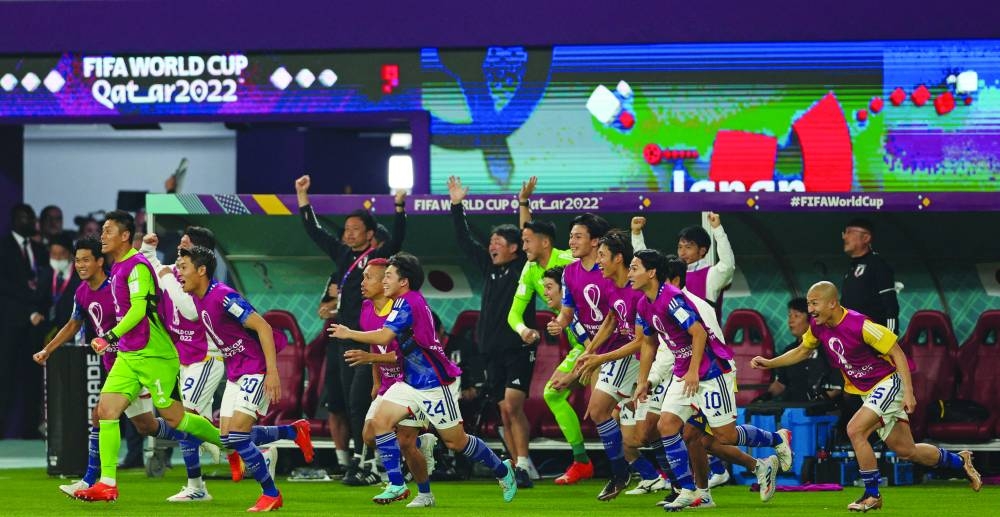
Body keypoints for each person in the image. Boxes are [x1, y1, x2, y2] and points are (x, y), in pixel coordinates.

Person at [751, 281, 982, 512]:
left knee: (855, 429)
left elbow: (897, 353)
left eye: (814, 303)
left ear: (832, 303)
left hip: (888, 382)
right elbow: (803, 350)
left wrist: (909, 393)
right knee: (906, 450)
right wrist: (771, 363)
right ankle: (961, 462)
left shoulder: (860, 325)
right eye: (809, 303)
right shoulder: (818, 326)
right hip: (868, 391)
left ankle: (872, 495)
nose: (810, 309)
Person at [330, 252, 518, 505]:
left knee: (455, 441)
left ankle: (503, 470)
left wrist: (348, 332)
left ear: (404, 281)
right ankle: (399, 485)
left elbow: (385, 338)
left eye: (389, 276)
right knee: (379, 425)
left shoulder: (409, 303)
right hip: (408, 381)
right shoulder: (399, 302)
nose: (384, 281)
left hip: (435, 383)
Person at [73, 211, 225, 504]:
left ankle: (229, 443)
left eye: (108, 231)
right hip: (129, 356)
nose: (102, 236)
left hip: (155, 355)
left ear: (124, 235)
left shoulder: (138, 267)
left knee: (176, 418)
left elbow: (138, 310)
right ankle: (107, 484)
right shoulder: (119, 268)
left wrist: (109, 337)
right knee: (105, 411)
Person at [630, 248, 790, 510]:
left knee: (723, 436)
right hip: (684, 373)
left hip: (712, 373)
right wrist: (643, 380)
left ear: (652, 272)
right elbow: (648, 343)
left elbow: (700, 334)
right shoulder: (643, 303)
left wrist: (694, 371)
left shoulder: (674, 300)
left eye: (634, 267)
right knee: (670, 427)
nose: (630, 273)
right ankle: (690, 490)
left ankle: (776, 440)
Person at [178, 246, 314, 512]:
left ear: (202, 270)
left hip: (256, 367)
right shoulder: (197, 297)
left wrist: (272, 372)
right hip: (236, 371)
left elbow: (263, 326)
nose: (179, 273)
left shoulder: (224, 297)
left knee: (239, 437)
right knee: (228, 439)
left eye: (183, 268)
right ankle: (292, 431)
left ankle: (271, 493)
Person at [296, 174, 407, 484]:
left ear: (370, 234)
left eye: (355, 230)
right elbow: (315, 232)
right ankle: (362, 460)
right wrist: (303, 198)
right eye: (346, 229)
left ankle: (372, 462)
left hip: (370, 341)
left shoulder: (378, 261)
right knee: (349, 402)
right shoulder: (343, 256)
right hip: (344, 339)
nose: (348, 234)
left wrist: (399, 207)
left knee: (362, 402)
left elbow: (398, 240)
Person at [32, 236, 163, 497]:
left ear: (100, 261)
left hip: (135, 361)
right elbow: (73, 324)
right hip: (114, 364)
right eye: (77, 260)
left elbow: (140, 313)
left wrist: (147, 250)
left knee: (101, 414)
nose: (80, 265)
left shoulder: (117, 285)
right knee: (147, 425)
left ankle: (94, 481)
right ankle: (196, 437)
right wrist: (48, 349)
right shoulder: (81, 292)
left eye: (85, 260)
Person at [448, 175, 537, 487]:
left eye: (498, 243)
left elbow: (530, 235)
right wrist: (457, 205)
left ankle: (524, 463)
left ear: (515, 248)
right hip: (491, 350)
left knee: (513, 405)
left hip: (518, 347)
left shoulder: (524, 267)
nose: (491, 247)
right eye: (491, 243)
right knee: (503, 409)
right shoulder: (490, 268)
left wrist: (523, 202)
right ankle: (516, 467)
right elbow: (463, 240)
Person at [568, 229, 663, 500]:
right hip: (620, 356)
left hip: (638, 358)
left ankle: (623, 473)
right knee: (632, 432)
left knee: (613, 417)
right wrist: (590, 350)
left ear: (618, 258)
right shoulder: (609, 284)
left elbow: (642, 342)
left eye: (602, 256)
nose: (598, 261)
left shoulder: (638, 293)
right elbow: (611, 319)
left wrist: (600, 358)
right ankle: (633, 474)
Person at [140, 229, 228, 502]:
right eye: (180, 242)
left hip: (206, 357)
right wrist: (147, 250)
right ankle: (248, 449)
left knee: (184, 420)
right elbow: (152, 268)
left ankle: (197, 487)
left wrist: (167, 277)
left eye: (186, 244)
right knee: (184, 422)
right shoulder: (171, 270)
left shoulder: (203, 280)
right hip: (183, 359)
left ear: (199, 256)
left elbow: (190, 310)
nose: (179, 245)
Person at [345, 258, 438, 508]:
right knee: (369, 436)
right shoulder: (367, 309)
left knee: (405, 441)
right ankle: (421, 444)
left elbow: (401, 353)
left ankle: (413, 489)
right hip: (388, 383)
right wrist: (376, 380)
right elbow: (377, 344)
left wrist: (368, 357)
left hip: (411, 382)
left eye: (370, 277)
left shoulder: (402, 308)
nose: (363, 282)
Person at [0, 203, 51, 438]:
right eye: (26, 218)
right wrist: (28, 307)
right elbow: (5, 287)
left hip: (35, 325)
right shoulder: (3, 247)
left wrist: (38, 310)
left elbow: (44, 285)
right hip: (10, 324)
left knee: (33, 377)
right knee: (6, 376)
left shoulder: (40, 250)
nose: (31, 222)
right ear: (16, 220)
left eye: (32, 218)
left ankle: (31, 427)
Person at [634, 213, 734, 317]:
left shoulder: (711, 276)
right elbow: (645, 264)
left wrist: (717, 229)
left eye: (688, 247)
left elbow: (728, 265)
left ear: (702, 251)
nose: (682, 252)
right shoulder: (669, 271)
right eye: (680, 247)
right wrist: (636, 234)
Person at [763, 298, 843, 403]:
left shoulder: (828, 347)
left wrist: (818, 403)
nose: (791, 320)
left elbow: (837, 388)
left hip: (824, 413)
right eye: (790, 315)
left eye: (796, 316)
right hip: (794, 411)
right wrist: (765, 397)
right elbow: (781, 383)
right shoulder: (789, 350)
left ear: (811, 320)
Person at [840, 219, 899, 333]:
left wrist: (889, 341)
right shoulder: (850, 269)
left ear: (866, 238)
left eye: (850, 232)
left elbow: (890, 305)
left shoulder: (878, 265)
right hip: (853, 341)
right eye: (844, 233)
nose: (845, 237)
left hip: (873, 342)